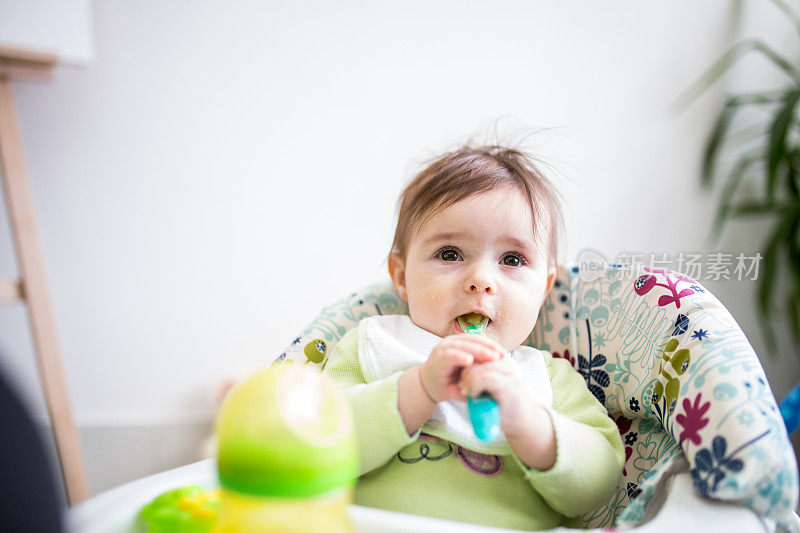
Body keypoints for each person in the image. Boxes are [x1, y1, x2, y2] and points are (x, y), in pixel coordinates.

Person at [321, 142, 624, 530]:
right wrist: (417, 389)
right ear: (401, 277)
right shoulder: (372, 345)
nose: (481, 280)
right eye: (450, 254)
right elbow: (317, 442)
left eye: (512, 260)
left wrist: (528, 422)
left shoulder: (548, 377)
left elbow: (599, 487)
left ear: (544, 289)